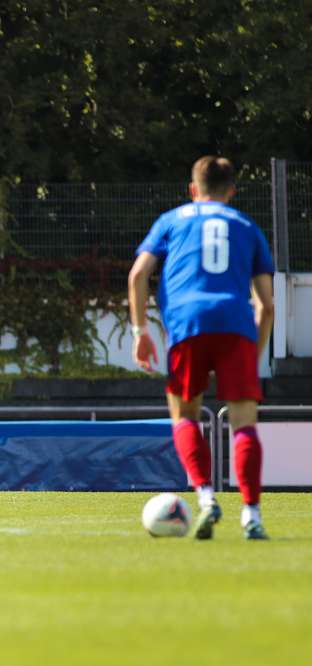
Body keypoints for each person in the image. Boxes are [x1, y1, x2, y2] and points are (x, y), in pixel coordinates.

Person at [128, 155, 275, 540]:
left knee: (185, 415)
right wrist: (253, 353)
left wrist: (140, 330)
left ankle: (207, 498)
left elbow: (138, 274)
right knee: (244, 424)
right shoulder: (247, 226)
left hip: (188, 324)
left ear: (193, 190)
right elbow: (267, 305)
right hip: (236, 325)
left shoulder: (172, 220)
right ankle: (252, 515)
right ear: (232, 191)